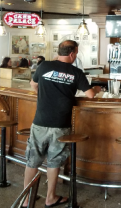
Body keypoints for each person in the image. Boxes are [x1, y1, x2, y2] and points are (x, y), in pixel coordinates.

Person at [22, 40, 101, 207]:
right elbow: (90, 95)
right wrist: (97, 89)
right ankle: (50, 198)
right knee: (54, 160)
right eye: (76, 53)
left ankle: (26, 199)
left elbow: (33, 84)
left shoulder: (43, 66)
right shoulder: (76, 72)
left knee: (32, 160)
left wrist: (44, 94)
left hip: (40, 121)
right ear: (72, 54)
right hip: (61, 124)